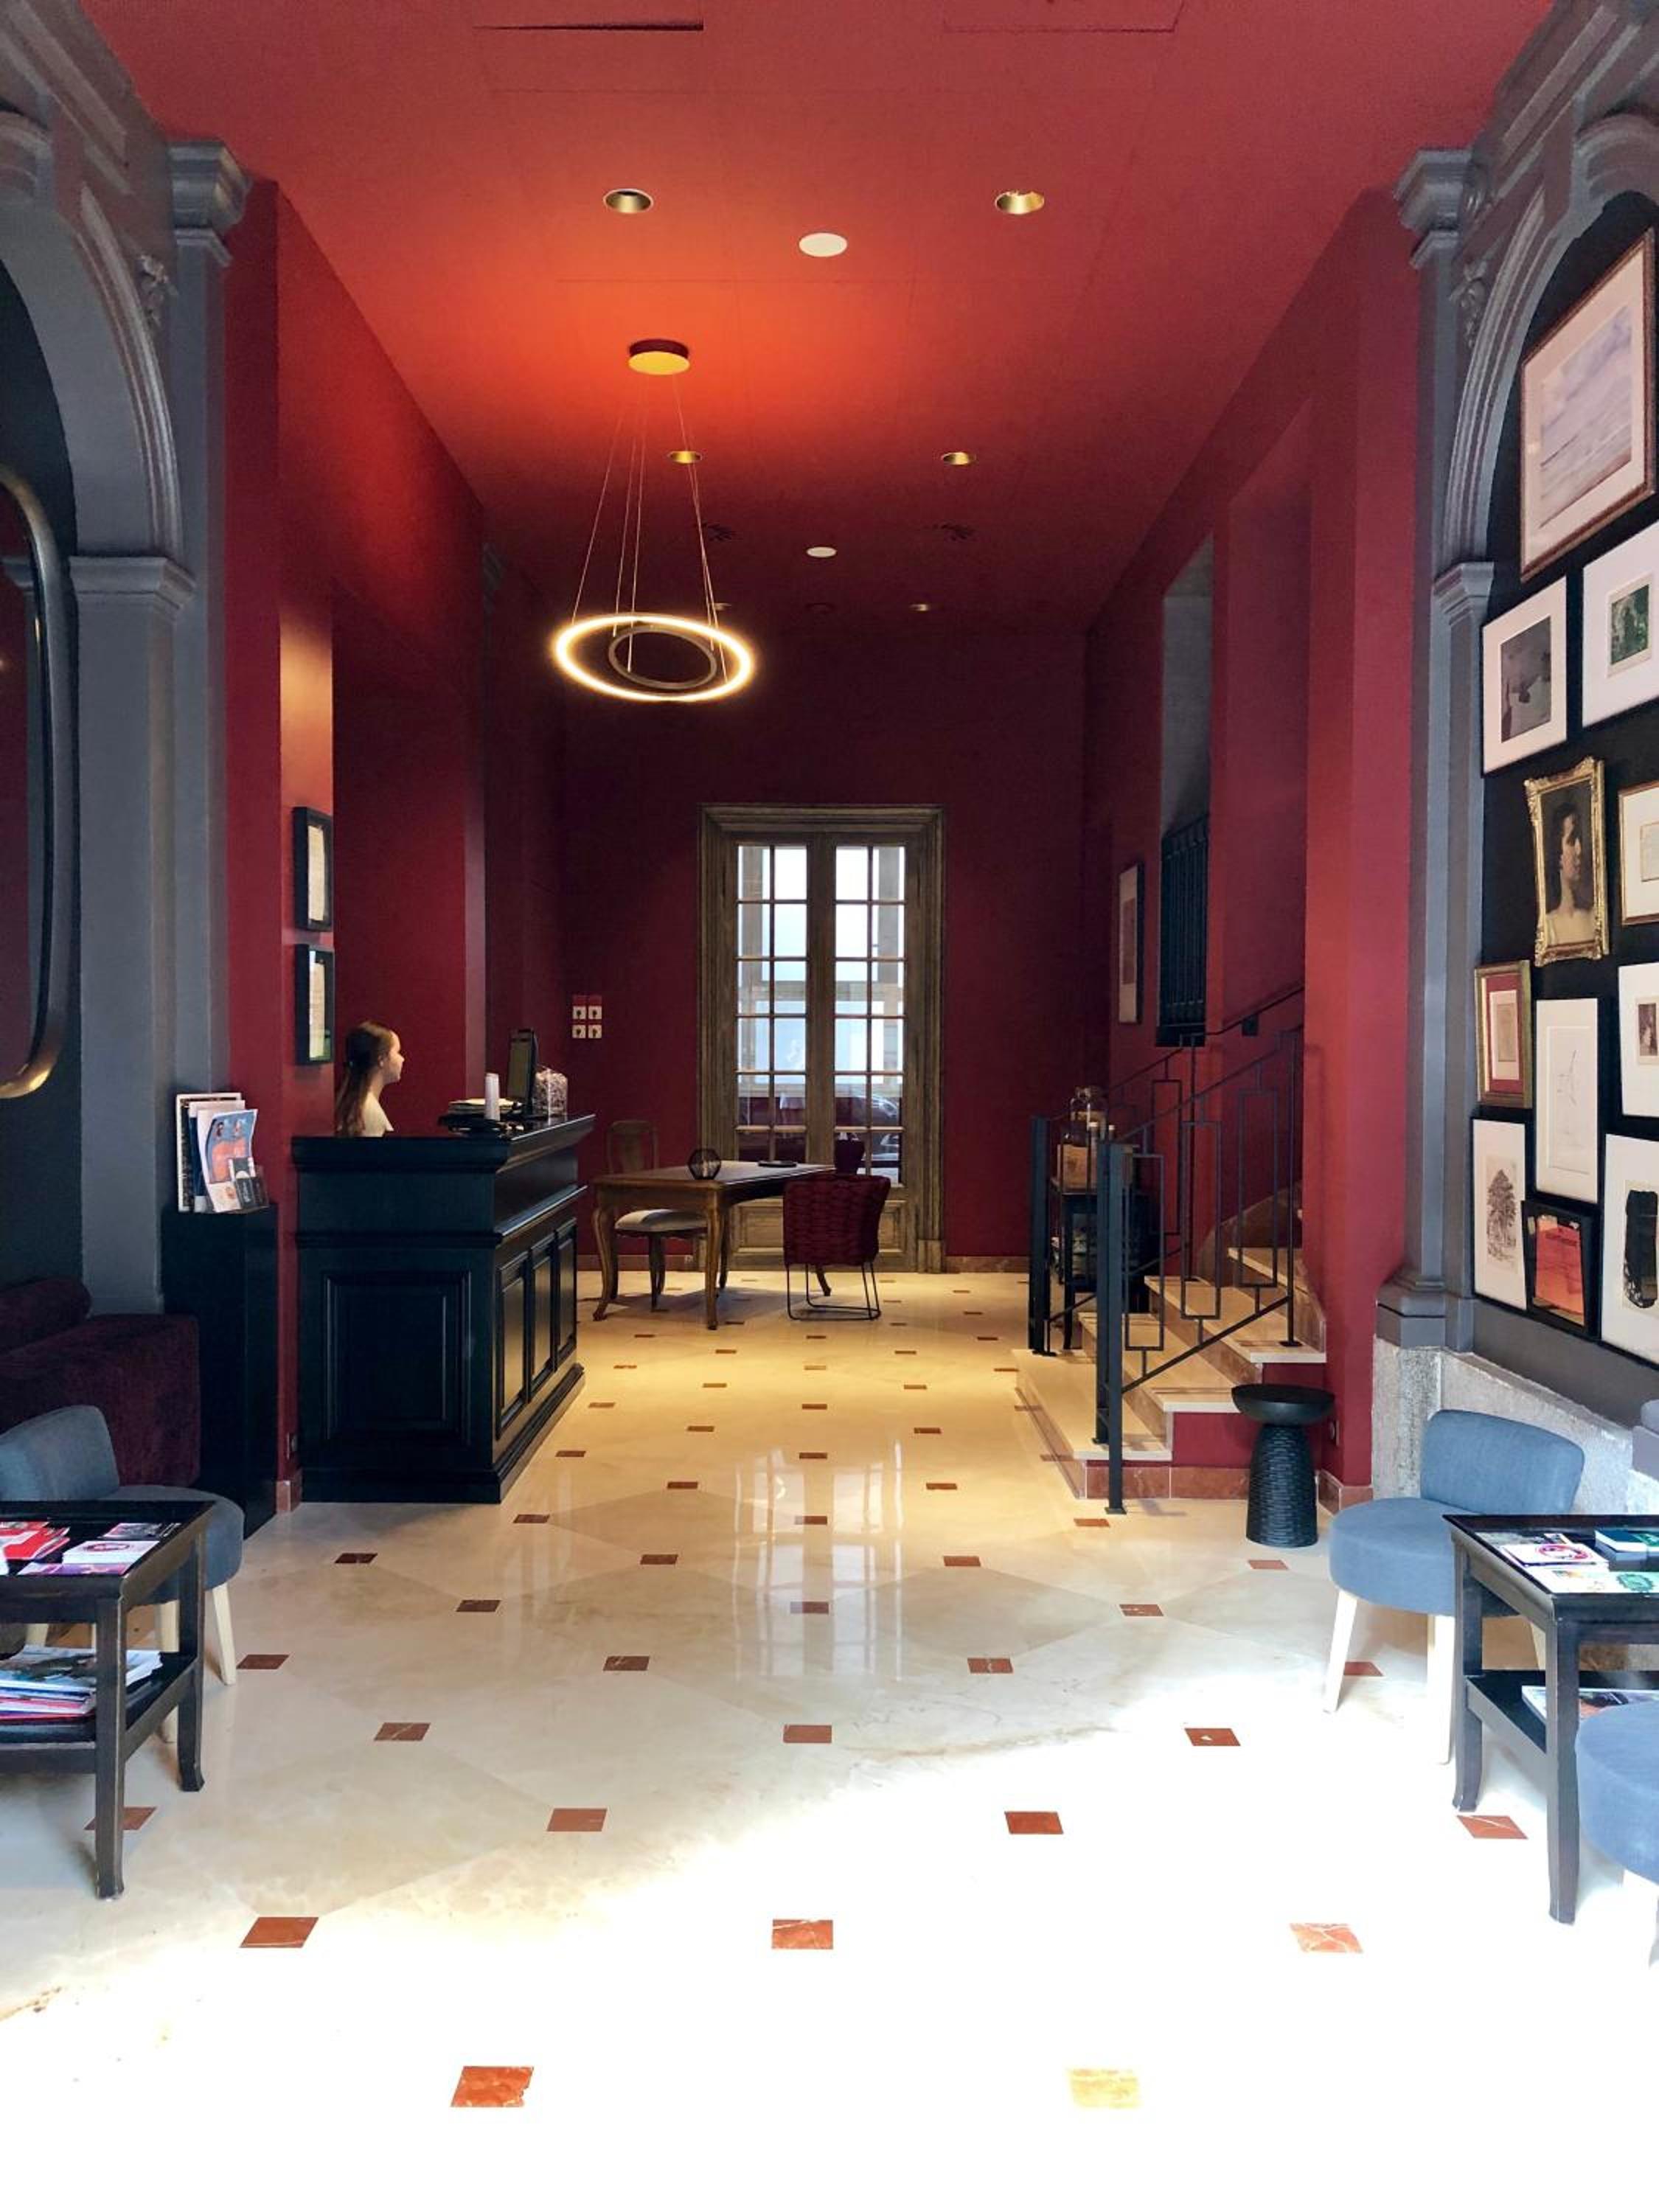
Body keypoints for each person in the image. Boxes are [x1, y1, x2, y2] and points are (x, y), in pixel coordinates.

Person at [1543, 798, 1598, 950]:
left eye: (1580, 839)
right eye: (1572, 841)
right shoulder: (1549, 926)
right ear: (1558, 853)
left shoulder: (1594, 918)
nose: (1579, 850)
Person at [335, 1021, 403, 1136]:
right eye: (397, 1052)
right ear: (381, 1059)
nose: (402, 1059)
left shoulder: (356, 1105)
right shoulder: (370, 1113)